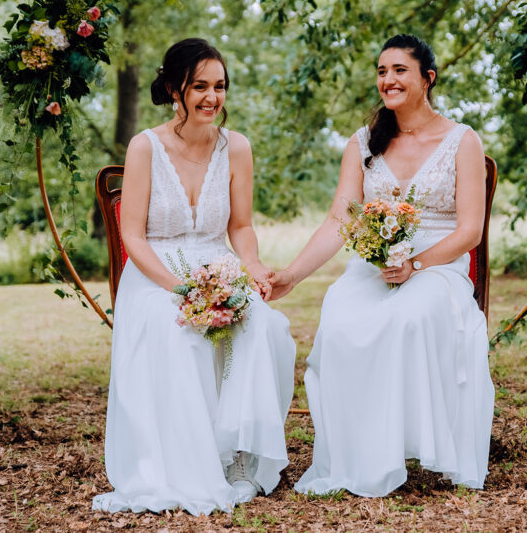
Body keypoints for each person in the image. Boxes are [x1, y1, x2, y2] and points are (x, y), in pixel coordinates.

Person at [269, 34, 494, 497]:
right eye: (381, 71)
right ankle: (361, 454)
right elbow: (340, 220)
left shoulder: (462, 140)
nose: (387, 79)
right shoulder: (362, 143)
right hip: (375, 265)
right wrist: (292, 274)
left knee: (408, 317)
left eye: (399, 70)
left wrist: (416, 264)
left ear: (427, 78)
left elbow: (470, 231)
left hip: (438, 267)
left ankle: (409, 444)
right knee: (341, 317)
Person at [93, 38, 295, 515]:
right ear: (174, 89)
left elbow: (240, 227)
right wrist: (178, 289)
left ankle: (240, 457)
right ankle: (188, 460)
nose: (212, 97)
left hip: (218, 264)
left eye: (219, 86)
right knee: (181, 332)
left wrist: (253, 267)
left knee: (263, 325)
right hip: (156, 273)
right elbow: (132, 236)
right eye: (200, 86)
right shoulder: (145, 147)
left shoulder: (236, 147)